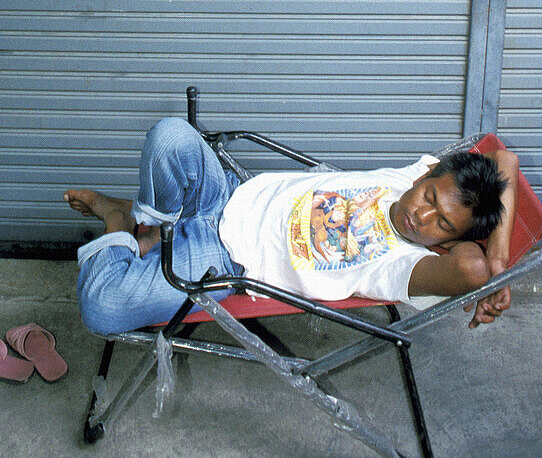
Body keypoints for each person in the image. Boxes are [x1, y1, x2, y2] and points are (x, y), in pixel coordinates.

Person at [66, 117, 519, 338]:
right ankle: (152, 226)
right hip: (226, 193)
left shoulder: (406, 264)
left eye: (440, 224)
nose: (419, 217)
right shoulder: (406, 178)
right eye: (429, 198)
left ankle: (118, 222)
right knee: (170, 134)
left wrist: (497, 268)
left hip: (221, 261)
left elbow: (473, 270)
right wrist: (497, 258)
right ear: (425, 175)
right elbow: (505, 159)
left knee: (100, 308)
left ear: (449, 242)